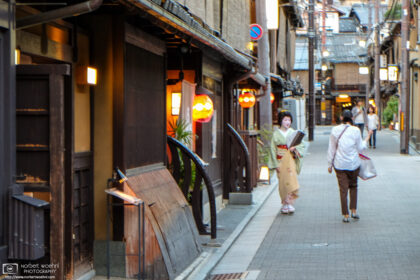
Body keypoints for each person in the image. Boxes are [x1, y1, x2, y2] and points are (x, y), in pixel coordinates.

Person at [327, 110, 372, 223]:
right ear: (352, 118)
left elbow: (331, 148)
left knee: (343, 190)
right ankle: (354, 211)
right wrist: (367, 138)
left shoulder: (335, 130)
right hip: (353, 164)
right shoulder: (355, 130)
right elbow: (360, 147)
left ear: (341, 117)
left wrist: (329, 164)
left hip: (340, 164)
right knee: (353, 186)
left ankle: (345, 214)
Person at [268, 111, 305, 214]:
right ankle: (285, 203)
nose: (287, 122)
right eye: (285, 120)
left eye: (289, 120)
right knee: (283, 183)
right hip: (280, 160)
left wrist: (295, 148)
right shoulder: (276, 134)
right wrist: (275, 164)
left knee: (291, 181)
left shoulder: (293, 132)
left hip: (290, 160)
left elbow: (301, 146)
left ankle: (290, 203)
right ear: (281, 121)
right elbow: (272, 149)